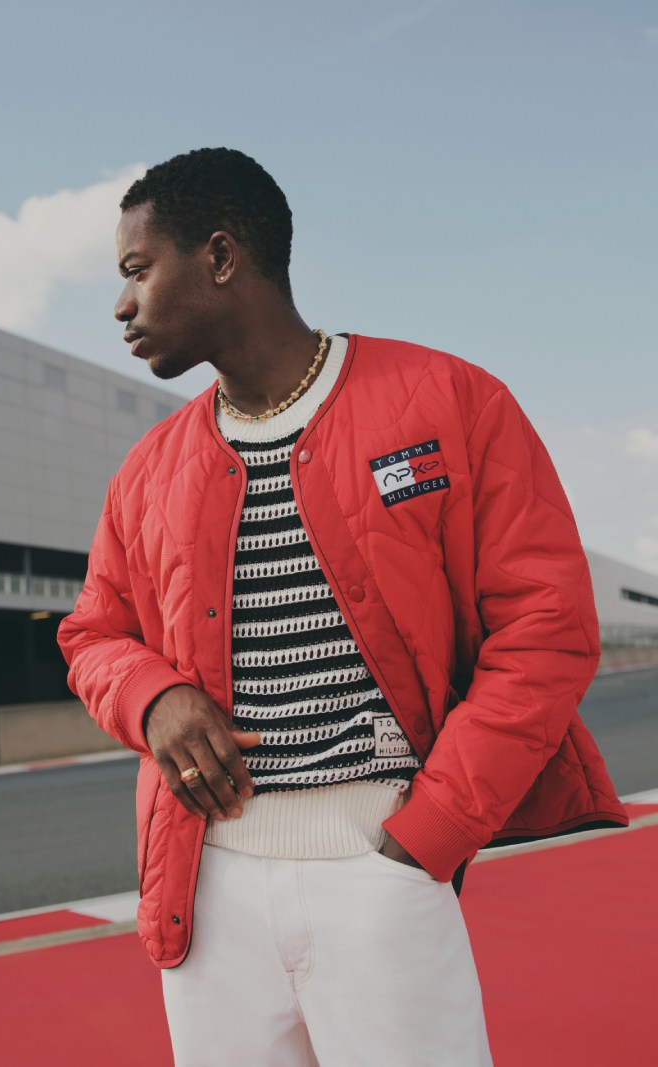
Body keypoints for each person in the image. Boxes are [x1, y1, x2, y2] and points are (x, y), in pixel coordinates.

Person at [57, 147, 628, 1067]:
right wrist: (151, 697)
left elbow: (546, 629)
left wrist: (429, 833)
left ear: (220, 256)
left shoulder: (451, 401)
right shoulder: (148, 470)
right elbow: (93, 632)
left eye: (136, 270)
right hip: (203, 892)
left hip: (383, 863)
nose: (121, 305)